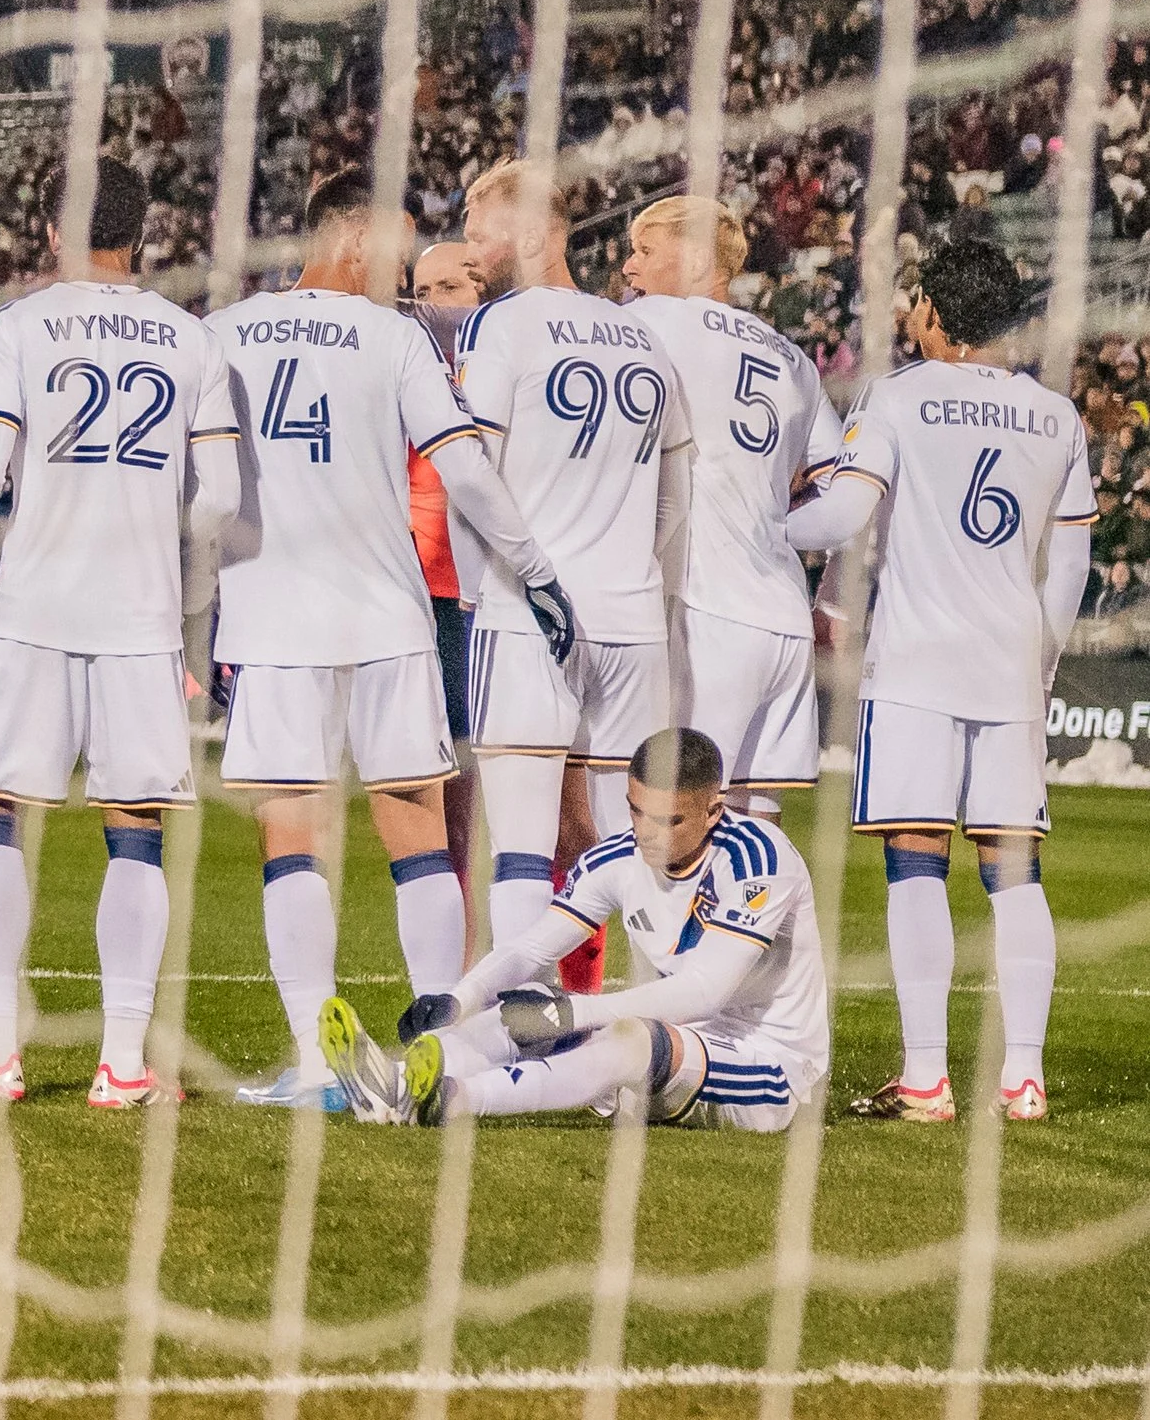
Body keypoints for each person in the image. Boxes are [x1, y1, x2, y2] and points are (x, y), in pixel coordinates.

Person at [205, 170, 573, 1111]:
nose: (407, 267)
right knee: (416, 832)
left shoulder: (228, 331)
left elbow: (195, 487)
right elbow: (466, 470)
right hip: (388, 618)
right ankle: (438, 1049)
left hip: (273, 617)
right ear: (355, 237)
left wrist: (189, 616)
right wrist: (534, 568)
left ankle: (315, 1060)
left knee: (293, 836)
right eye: (401, 247)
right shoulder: (396, 337)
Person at [0, 157, 242, 1108]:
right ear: (138, 235)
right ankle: (125, 1066)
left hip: (33, 611)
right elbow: (218, 496)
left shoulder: (19, 325)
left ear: (54, 231)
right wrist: (168, 567)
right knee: (134, 828)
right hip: (139, 620)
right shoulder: (191, 339)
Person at [786, 239, 1094, 1123]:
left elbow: (844, 514)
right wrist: (1039, 666)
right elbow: (1067, 568)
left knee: (914, 860)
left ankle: (927, 1076)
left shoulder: (899, 396)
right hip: (1008, 667)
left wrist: (760, 521)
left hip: (918, 663)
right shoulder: (1056, 416)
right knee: (1014, 873)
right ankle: (1023, 1078)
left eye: (915, 304)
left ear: (934, 315)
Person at [324, 727, 830, 1132]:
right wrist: (459, 998)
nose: (645, 832)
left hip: (772, 1069)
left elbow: (705, 991)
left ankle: (454, 1100)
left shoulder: (757, 860)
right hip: (678, 1043)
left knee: (629, 1037)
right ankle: (392, 1087)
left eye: (667, 820)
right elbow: (531, 946)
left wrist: (574, 1012)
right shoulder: (615, 860)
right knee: (526, 1004)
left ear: (713, 811)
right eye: (636, 811)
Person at [455, 159, 695, 982]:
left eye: (478, 231)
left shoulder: (501, 326)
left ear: (528, 233)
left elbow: (470, 471)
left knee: (522, 845)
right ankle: (658, 1044)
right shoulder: (643, 334)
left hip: (529, 611)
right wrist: (642, 579)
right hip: (631, 619)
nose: (468, 250)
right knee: (635, 849)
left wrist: (487, 583)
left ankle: (526, 1042)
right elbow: (676, 497)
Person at [621, 196, 845, 821]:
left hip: (705, 608)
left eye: (645, 252)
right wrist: (787, 543)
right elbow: (843, 486)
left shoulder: (655, 321)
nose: (628, 270)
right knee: (756, 829)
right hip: (781, 611)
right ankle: (769, 922)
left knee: (677, 822)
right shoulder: (792, 356)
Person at [406, 240, 484, 941]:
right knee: (445, 794)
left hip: (497, 595)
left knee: (560, 813)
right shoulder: (407, 366)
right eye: (421, 289)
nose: (431, 303)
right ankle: (457, 964)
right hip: (428, 599)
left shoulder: (508, 359)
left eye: (448, 287)